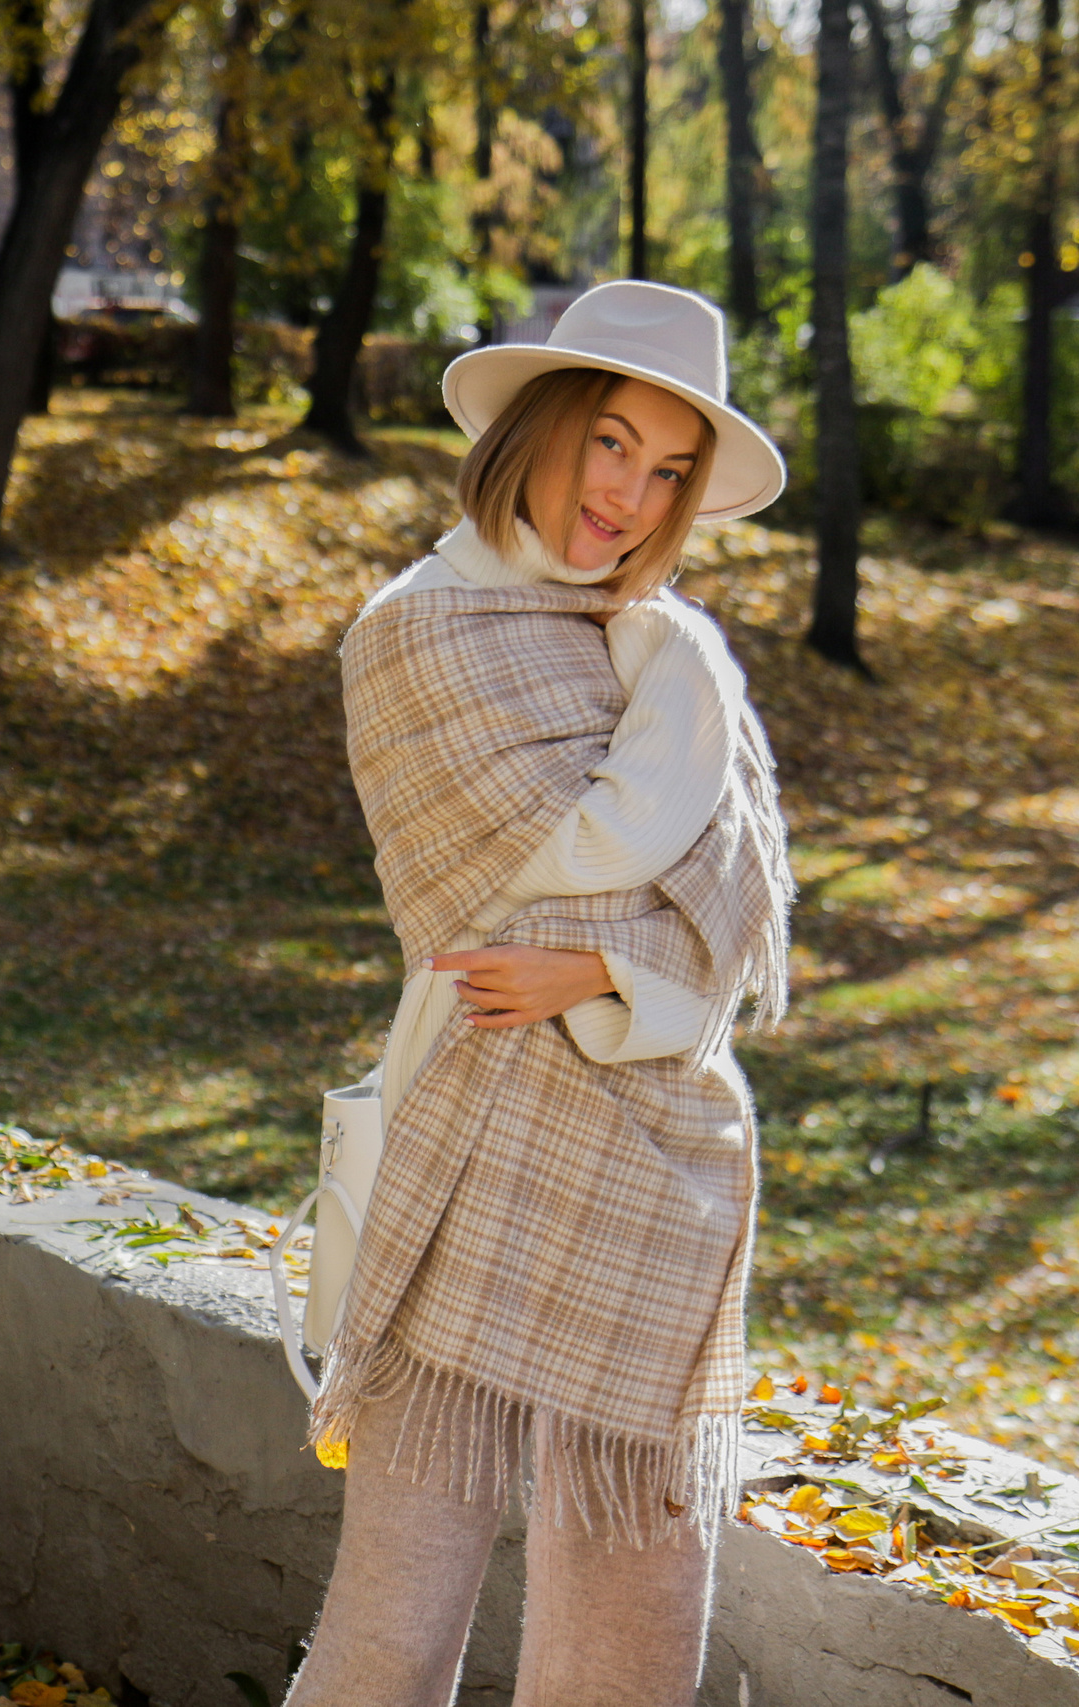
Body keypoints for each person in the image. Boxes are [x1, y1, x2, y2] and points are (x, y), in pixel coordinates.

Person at [287, 281, 794, 1707]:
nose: (630, 497)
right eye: (612, 444)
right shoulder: (419, 631)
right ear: (540, 429)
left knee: (629, 1633)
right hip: (471, 1141)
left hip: (664, 1179)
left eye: (672, 472)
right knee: (392, 1620)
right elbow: (525, 890)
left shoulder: (662, 649)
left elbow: (709, 974)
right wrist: (618, 950)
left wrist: (607, 975)